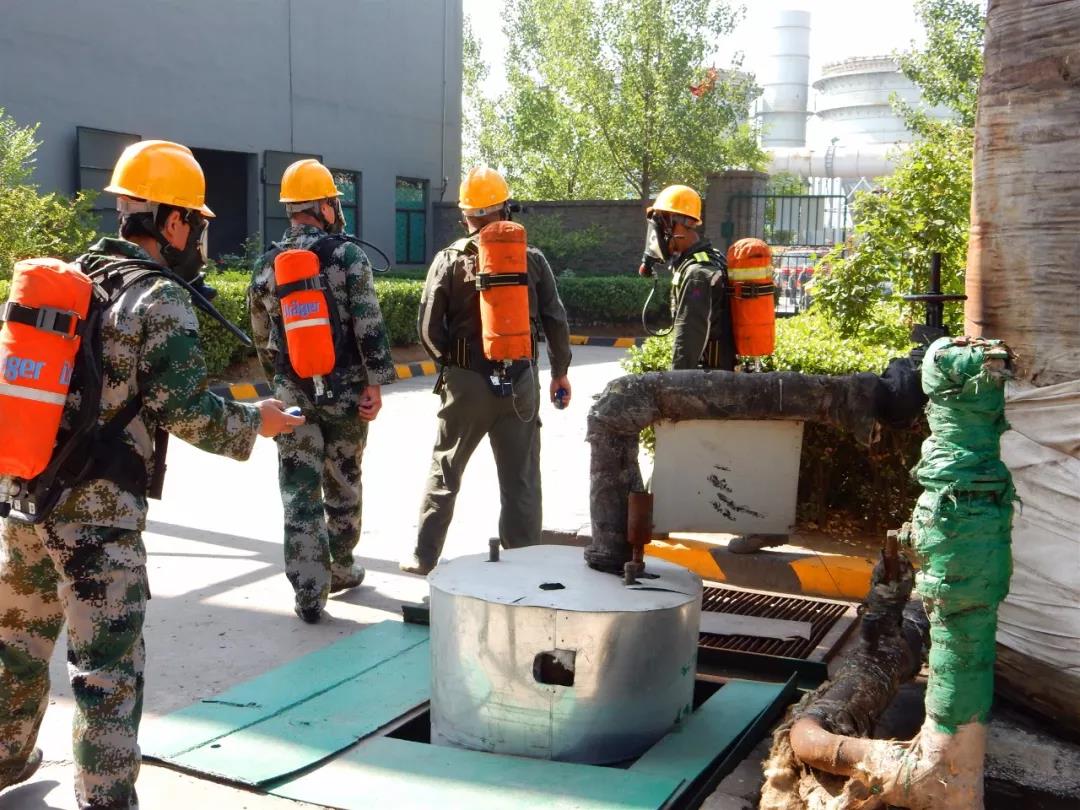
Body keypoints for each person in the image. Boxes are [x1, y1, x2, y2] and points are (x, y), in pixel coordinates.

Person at [0, 139, 302, 809]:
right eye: (195, 223)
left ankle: (2, 758)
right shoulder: (158, 298)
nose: (198, 238)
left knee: (16, 646)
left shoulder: (74, 278)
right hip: (98, 519)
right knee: (106, 670)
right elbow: (186, 410)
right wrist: (258, 423)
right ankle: (106, 799)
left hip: (25, 500)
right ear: (172, 221)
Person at [402, 166, 573, 576]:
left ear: (466, 215)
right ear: (505, 210)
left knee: (446, 469)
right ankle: (524, 562)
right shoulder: (532, 259)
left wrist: (451, 367)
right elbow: (555, 319)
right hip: (521, 382)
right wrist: (559, 372)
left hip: (467, 383)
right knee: (522, 480)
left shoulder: (450, 259)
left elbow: (427, 328)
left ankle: (424, 557)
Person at [248, 159, 396, 623]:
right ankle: (343, 566)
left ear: (291, 209)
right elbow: (369, 324)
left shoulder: (266, 264)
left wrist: (281, 383)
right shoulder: (348, 256)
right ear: (326, 206)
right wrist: (374, 383)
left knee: (299, 490)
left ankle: (309, 592)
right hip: (346, 391)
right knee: (343, 478)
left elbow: (261, 335)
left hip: (292, 394)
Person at [641, 184, 735, 371]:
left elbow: (688, 341)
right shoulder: (707, 259)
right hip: (715, 375)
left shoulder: (697, 275)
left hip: (708, 379)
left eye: (660, 226)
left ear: (674, 224)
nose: (657, 236)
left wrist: (676, 383)